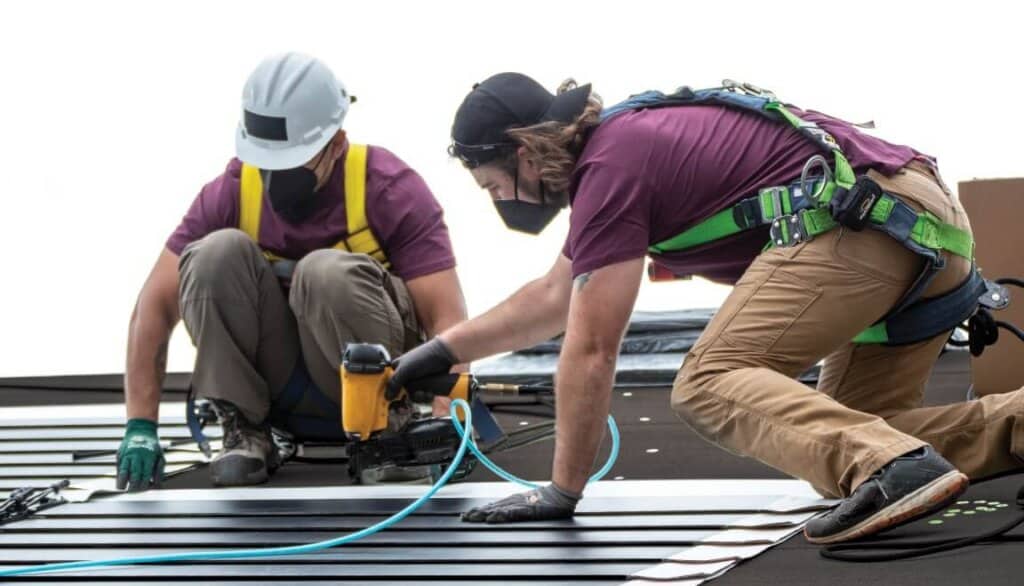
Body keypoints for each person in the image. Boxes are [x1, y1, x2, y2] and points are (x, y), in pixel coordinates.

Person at [388, 73, 1024, 544]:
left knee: (707, 382)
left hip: (865, 224)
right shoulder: (626, 149)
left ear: (524, 153)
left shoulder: (611, 166)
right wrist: (439, 353)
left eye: (494, 184)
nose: (500, 200)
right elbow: (556, 297)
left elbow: (589, 347)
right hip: (921, 229)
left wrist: (561, 492)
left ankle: (894, 465)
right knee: (850, 438)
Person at [116, 53, 467, 491]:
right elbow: (152, 307)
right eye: (266, 162)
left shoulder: (388, 189)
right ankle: (246, 434)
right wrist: (140, 427)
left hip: (366, 389)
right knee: (212, 255)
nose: (273, 177)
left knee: (324, 271)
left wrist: (447, 419)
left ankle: (382, 437)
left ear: (336, 144)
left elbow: (448, 320)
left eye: (290, 163)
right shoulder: (230, 193)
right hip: (275, 387)